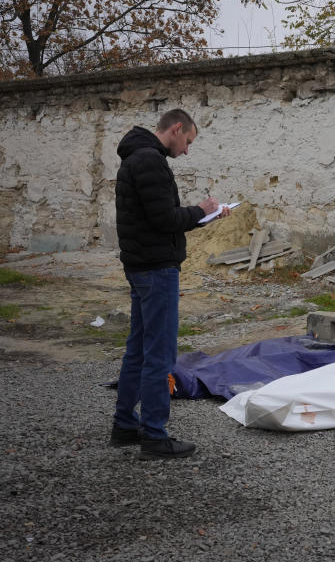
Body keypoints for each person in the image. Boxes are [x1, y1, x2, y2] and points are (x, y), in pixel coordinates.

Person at [109, 108, 229, 460]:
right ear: (176, 129)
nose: (187, 150)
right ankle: (155, 435)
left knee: (139, 350)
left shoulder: (138, 157)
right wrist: (200, 208)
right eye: (188, 141)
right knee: (159, 355)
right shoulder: (149, 161)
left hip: (142, 266)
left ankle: (125, 424)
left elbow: (156, 219)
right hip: (156, 269)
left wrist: (204, 217)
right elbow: (165, 219)